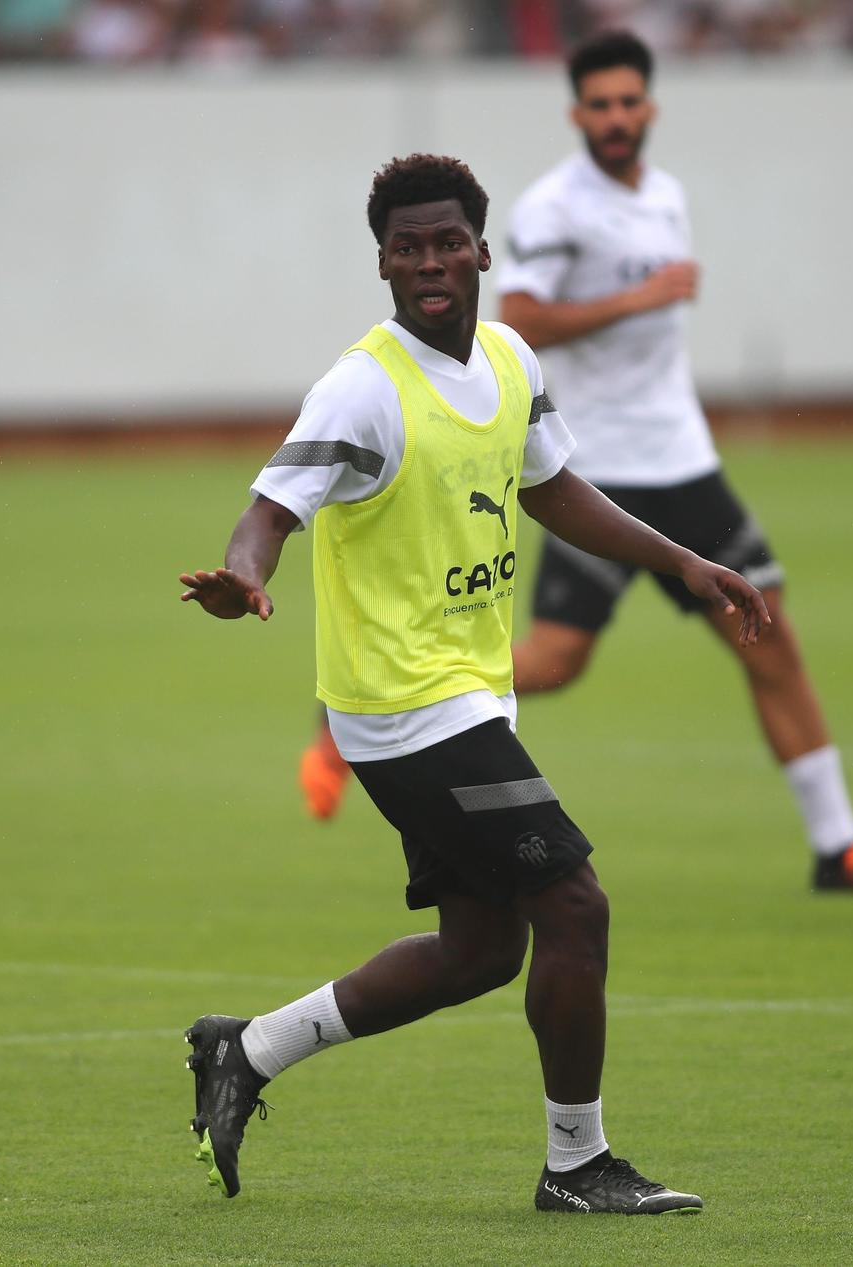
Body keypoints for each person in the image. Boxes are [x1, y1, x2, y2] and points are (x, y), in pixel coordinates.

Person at [178, 153, 770, 1212]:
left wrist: (677, 556)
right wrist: (242, 576)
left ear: (481, 250)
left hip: (464, 696)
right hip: (402, 711)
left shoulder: (506, 359)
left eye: (447, 240)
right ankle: (578, 1165)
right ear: (383, 266)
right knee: (575, 905)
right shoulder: (362, 385)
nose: (429, 261)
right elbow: (269, 508)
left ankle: (247, 1049)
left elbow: (552, 487)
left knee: (484, 948)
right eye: (406, 247)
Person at [294, 30, 853, 899]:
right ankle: (367, 714)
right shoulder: (558, 207)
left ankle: (838, 845)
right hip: (595, 470)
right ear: (578, 114)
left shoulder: (664, 195)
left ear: (650, 107)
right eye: (600, 105)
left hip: (687, 461)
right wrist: (640, 295)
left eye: (630, 102)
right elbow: (520, 316)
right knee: (556, 662)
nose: (617, 117)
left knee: (769, 638)